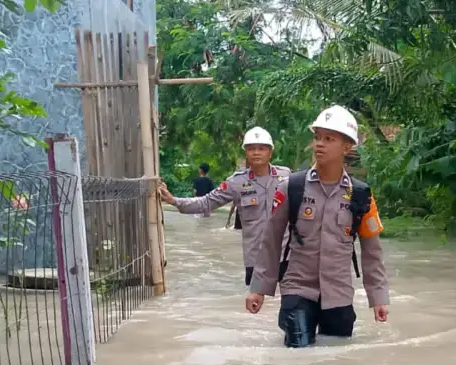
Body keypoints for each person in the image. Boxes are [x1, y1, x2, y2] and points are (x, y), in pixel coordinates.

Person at [245, 106, 390, 348]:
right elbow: (271, 241)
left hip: (339, 293)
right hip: (297, 288)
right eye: (317, 137)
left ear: (347, 146)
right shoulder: (292, 187)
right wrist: (258, 289)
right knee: (298, 350)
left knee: (337, 354)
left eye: (329, 139)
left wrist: (378, 298)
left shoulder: (361, 195)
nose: (319, 144)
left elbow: (372, 252)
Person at [158, 127, 291, 285]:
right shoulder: (236, 182)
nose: (256, 153)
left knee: (287, 297)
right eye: (251, 148)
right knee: (256, 298)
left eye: (262, 148)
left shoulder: (287, 177)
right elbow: (206, 202)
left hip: (286, 257)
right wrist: (174, 200)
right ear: (246, 152)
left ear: (270, 152)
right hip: (256, 258)